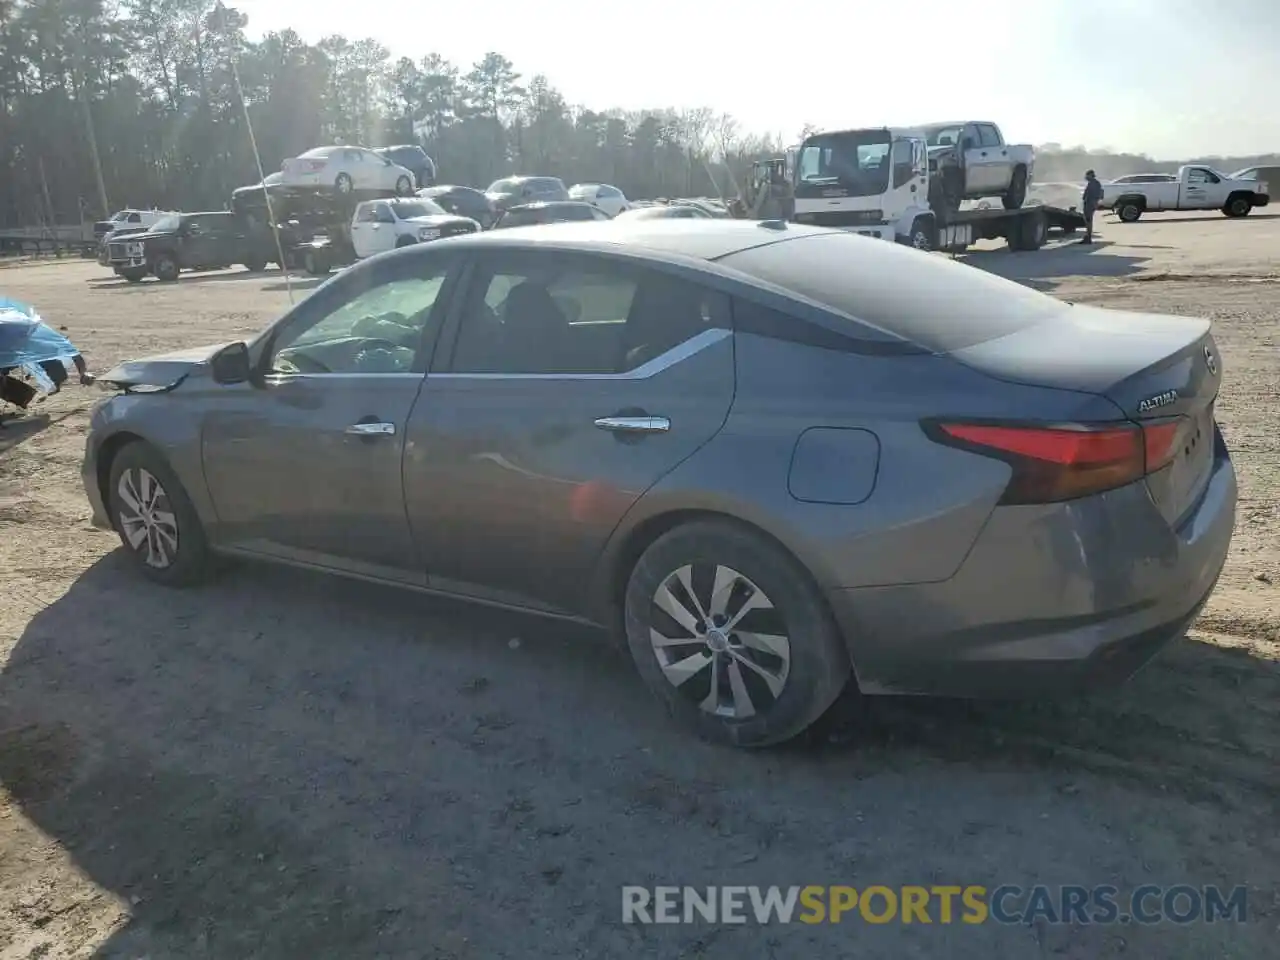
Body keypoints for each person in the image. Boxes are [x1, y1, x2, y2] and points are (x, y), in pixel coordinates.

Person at [1081, 170, 1103, 244]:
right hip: (1091, 204)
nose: (1086, 177)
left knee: (1088, 221)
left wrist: (1086, 200)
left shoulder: (1093, 183)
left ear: (1090, 175)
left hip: (1090, 204)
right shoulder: (1095, 183)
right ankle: (1088, 237)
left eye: (1087, 175)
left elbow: (1089, 194)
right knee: (1089, 221)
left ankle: (1088, 238)